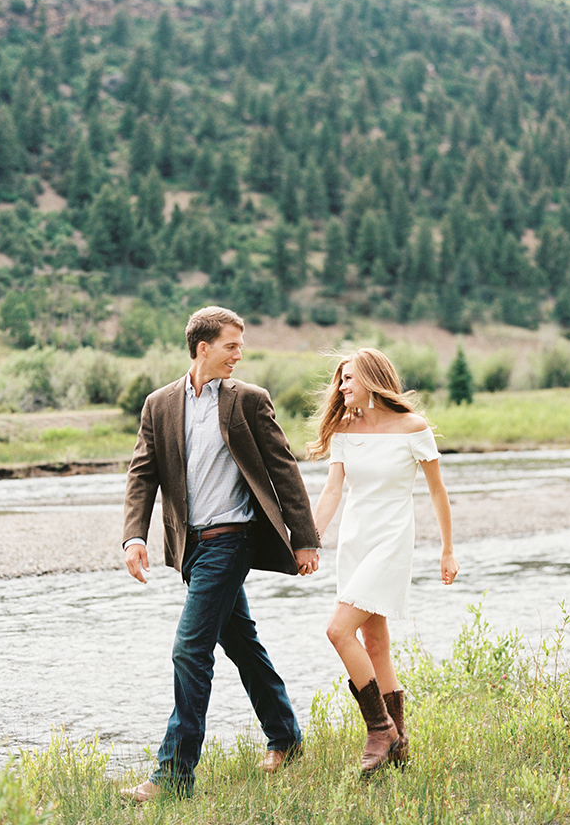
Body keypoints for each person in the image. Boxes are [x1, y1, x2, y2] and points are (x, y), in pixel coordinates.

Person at [121, 306, 320, 802]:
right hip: (190, 547)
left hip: (233, 540)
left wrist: (305, 537)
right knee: (242, 643)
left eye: (241, 345)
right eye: (232, 345)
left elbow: (284, 468)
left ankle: (174, 775)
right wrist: (134, 536)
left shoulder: (249, 400)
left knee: (190, 649)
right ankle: (287, 736)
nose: (239, 354)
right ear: (202, 347)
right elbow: (142, 473)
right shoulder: (159, 404)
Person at [308, 347, 459, 775]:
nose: (341, 387)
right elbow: (333, 490)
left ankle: (380, 729)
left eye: (348, 379)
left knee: (337, 630)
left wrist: (447, 550)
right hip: (354, 543)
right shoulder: (342, 428)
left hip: (392, 542)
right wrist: (311, 540)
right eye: (340, 380)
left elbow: (436, 491)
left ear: (372, 379)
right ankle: (399, 745)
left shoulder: (412, 427)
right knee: (374, 643)